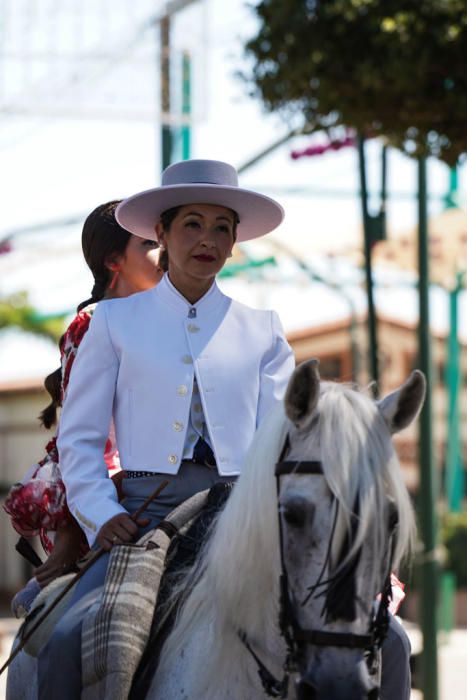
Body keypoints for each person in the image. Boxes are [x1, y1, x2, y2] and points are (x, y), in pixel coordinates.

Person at [37, 159, 295, 698]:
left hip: (241, 520)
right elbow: (79, 440)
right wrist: (102, 514)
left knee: (379, 639)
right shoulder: (113, 323)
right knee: (63, 642)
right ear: (162, 233)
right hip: (141, 517)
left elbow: (283, 444)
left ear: (234, 241)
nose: (209, 239)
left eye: (223, 227)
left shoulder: (264, 330)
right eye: (193, 224)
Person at [4, 200, 166, 601]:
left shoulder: (174, 322)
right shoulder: (93, 324)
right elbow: (85, 440)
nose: (165, 253)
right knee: (53, 620)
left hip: (162, 489)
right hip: (117, 502)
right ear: (115, 260)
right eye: (149, 243)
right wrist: (85, 524)